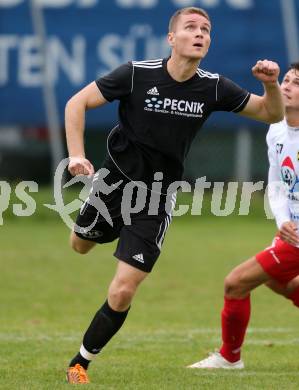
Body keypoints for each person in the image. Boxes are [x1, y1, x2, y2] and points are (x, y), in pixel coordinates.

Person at [64, 6, 284, 384]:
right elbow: (76, 103)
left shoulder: (213, 86)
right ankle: (101, 230)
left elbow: (271, 114)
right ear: (171, 38)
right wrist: (77, 156)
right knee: (80, 246)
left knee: (123, 289)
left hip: (156, 197)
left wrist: (270, 84)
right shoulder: (136, 74)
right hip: (113, 185)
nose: (200, 34)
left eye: (206, 29)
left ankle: (80, 362)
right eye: (191, 27)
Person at [188, 62, 299, 370]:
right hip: (291, 231)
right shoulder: (276, 130)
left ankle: (229, 358)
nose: (288, 86)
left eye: (296, 83)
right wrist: (283, 222)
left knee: (236, 283)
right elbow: (277, 185)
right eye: (287, 80)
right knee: (278, 282)